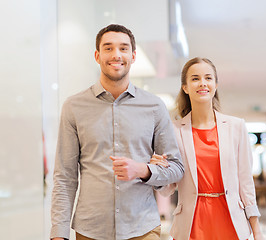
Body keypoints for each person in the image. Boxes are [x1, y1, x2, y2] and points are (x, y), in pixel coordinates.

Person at [50, 24, 184, 240]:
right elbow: (65, 177)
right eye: (108, 48)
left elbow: (177, 168)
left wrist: (143, 170)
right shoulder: (73, 107)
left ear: (133, 56)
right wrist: (59, 233)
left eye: (123, 48)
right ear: (97, 55)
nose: (116, 55)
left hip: (142, 228)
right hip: (90, 230)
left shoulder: (154, 106)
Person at [151, 57, 265, 240]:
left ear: (216, 84)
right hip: (191, 224)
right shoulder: (174, 131)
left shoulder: (236, 127)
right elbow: (167, 189)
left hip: (230, 221)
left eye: (208, 78)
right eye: (195, 78)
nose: (202, 83)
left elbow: (245, 183)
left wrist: (257, 230)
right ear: (185, 87)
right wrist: (158, 171)